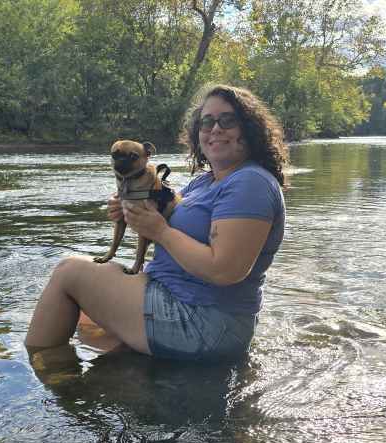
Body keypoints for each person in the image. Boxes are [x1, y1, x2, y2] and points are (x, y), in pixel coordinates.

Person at [25, 84, 286, 361]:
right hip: (177, 299)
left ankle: (46, 372)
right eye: (206, 122)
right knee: (87, 316)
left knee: (69, 271)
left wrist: (159, 231)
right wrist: (129, 211)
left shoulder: (250, 183)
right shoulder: (205, 181)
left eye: (228, 120)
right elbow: (160, 209)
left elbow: (224, 271)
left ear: (250, 129)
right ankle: (122, 376)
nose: (215, 129)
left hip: (204, 322)